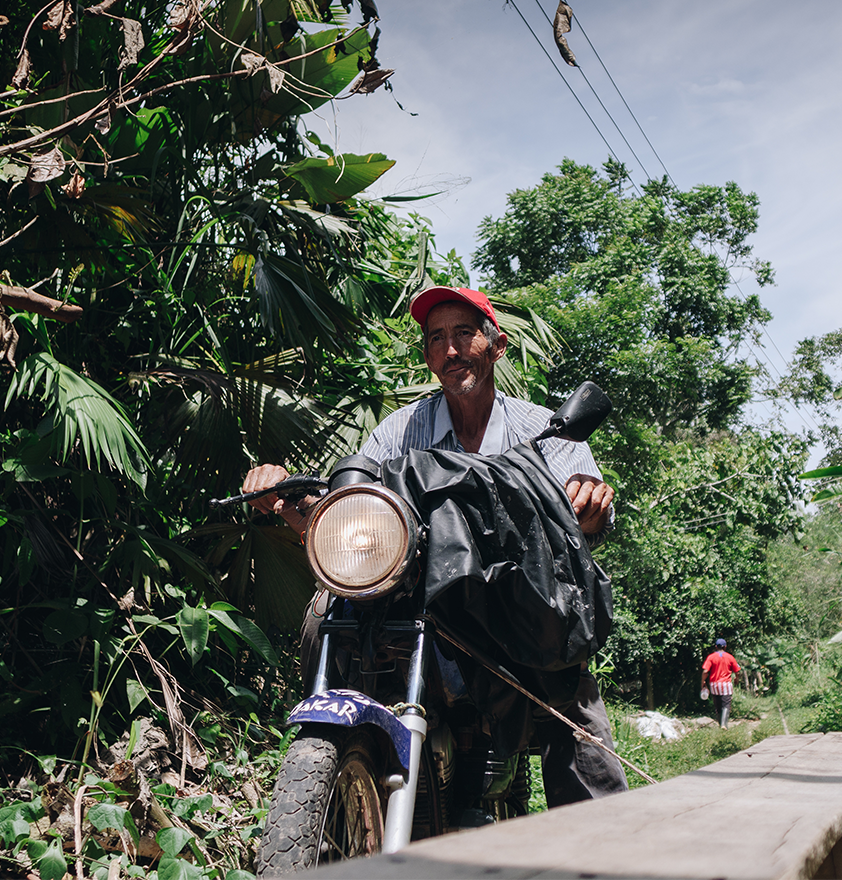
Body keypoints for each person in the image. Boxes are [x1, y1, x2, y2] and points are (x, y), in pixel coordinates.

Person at [239, 285, 626, 808]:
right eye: (436, 338)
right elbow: (350, 509)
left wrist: (592, 505)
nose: (450, 349)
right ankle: (344, 762)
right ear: (426, 355)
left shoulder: (542, 427)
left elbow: (586, 511)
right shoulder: (400, 431)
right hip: (422, 596)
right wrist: (283, 498)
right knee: (324, 614)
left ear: (497, 345)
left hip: (514, 599)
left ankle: (603, 841)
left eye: (464, 333)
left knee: (573, 700)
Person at [701, 639, 739, 728]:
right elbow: (737, 671)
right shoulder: (730, 657)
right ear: (725, 646)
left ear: (715, 647)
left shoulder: (711, 657)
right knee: (726, 704)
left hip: (714, 685)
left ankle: (720, 725)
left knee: (718, 706)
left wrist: (703, 681)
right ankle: (724, 725)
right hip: (725, 684)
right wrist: (736, 679)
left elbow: (705, 671)